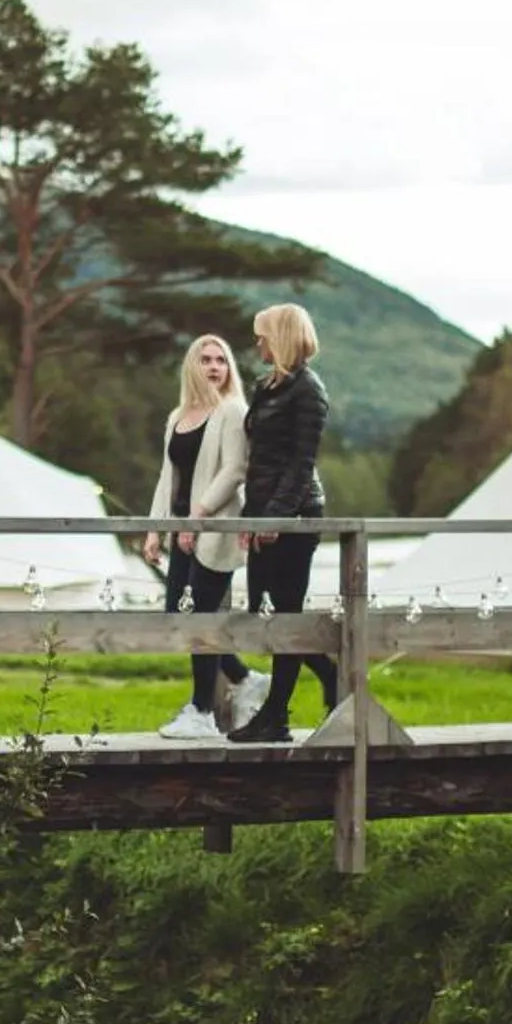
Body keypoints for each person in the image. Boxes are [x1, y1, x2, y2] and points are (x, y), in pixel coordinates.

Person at [141, 335, 267, 738]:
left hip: (213, 529)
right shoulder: (178, 416)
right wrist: (155, 529)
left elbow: (235, 470)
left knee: (202, 617)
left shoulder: (232, 411)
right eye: (206, 360)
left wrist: (199, 517)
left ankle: (202, 712)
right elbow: (168, 476)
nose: (214, 367)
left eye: (222, 360)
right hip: (182, 529)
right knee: (179, 615)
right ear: (191, 367)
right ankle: (245, 679)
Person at [227, 303, 340, 744]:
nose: (256, 343)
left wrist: (278, 517)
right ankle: (330, 676)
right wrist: (251, 516)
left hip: (296, 515)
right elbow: (260, 460)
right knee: (268, 611)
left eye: (262, 335)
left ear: (281, 336)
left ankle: (276, 716)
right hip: (264, 511)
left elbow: (300, 463)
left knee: (286, 614)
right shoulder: (266, 386)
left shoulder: (309, 391)